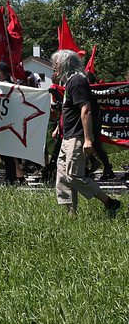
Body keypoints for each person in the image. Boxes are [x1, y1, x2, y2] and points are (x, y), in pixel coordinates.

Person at [50, 50, 121, 217]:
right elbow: (69, 112)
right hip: (68, 136)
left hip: (77, 136)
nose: (55, 67)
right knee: (63, 178)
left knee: (74, 176)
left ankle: (110, 202)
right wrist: (58, 129)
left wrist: (88, 139)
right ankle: (71, 216)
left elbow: (86, 109)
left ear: (66, 64)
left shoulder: (77, 81)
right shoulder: (70, 82)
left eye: (57, 64)